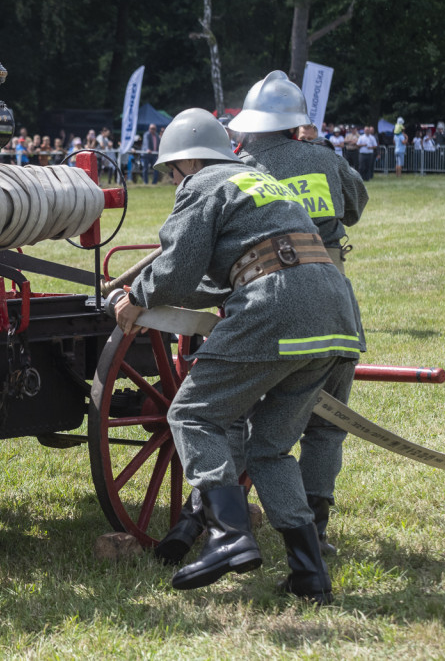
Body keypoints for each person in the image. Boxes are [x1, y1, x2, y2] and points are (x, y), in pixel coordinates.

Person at [114, 108, 360, 604]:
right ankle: (309, 575)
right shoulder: (262, 180)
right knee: (269, 449)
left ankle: (228, 537)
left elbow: (178, 270)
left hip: (279, 306)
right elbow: (226, 273)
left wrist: (137, 295)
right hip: (335, 310)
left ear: (189, 161)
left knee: (191, 414)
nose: (171, 180)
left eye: (170, 172)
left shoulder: (205, 184)